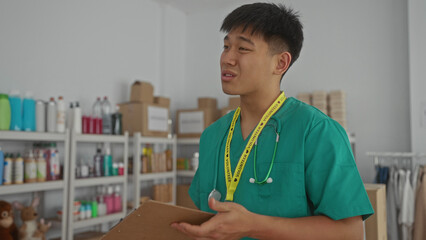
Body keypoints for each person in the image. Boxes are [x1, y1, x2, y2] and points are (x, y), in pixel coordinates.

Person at [172, 2, 374, 240]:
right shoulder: (212, 136)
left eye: (243, 49)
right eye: (226, 46)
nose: (227, 58)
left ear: (280, 63)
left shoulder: (317, 132)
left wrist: (252, 225)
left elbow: (351, 233)